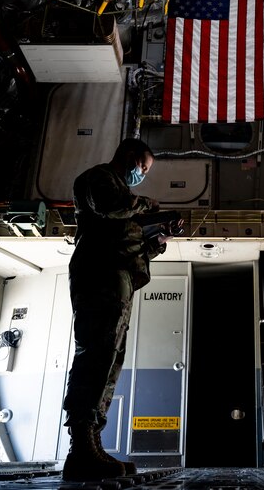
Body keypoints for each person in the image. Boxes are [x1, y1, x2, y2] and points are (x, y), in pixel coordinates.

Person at [62, 138, 172, 481]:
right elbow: (112, 206)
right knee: (95, 354)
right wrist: (147, 205)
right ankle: (80, 446)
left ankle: (92, 441)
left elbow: (128, 247)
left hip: (118, 279)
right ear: (128, 157)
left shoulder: (125, 202)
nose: (142, 174)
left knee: (110, 359)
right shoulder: (98, 179)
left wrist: (155, 242)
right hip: (99, 276)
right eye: (142, 167)